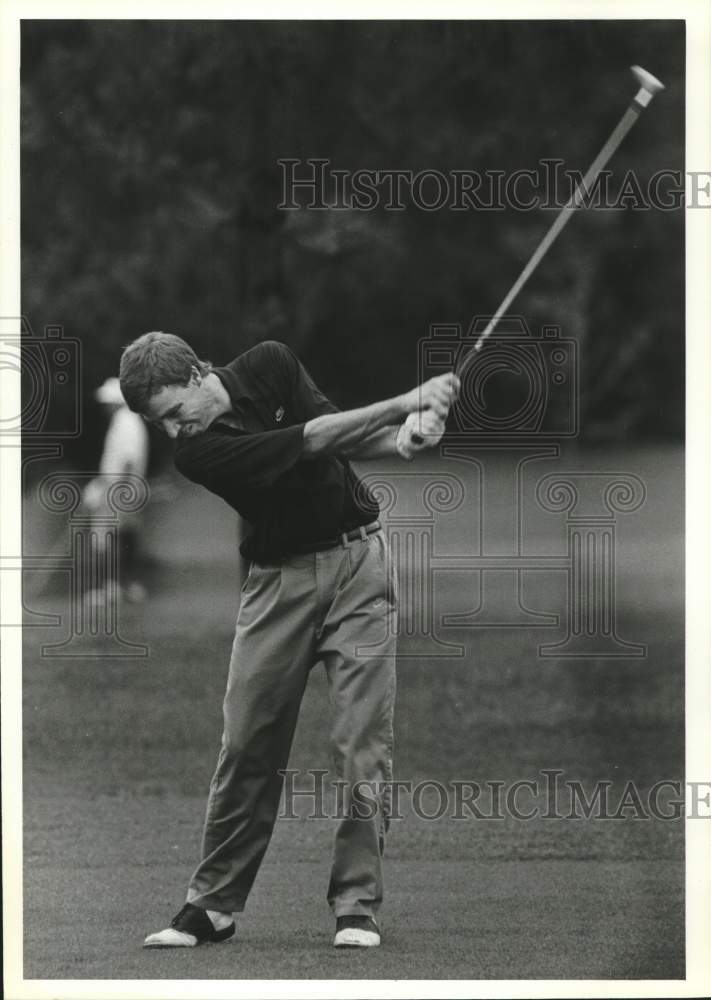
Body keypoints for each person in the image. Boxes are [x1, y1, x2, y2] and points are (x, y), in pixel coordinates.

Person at [118, 333, 459, 949]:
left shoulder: (269, 365)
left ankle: (356, 906)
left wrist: (402, 439)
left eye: (173, 413)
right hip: (278, 586)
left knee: (362, 742)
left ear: (197, 374)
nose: (173, 432)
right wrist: (407, 401)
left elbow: (339, 433)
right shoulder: (201, 453)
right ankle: (212, 905)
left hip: (361, 568)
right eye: (159, 423)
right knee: (247, 740)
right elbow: (309, 442)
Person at [83, 376, 150, 603]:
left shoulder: (126, 422)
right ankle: (126, 587)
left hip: (120, 489)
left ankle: (113, 587)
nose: (104, 408)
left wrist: (117, 490)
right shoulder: (126, 421)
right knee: (124, 538)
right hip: (124, 487)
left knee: (109, 538)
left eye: (106, 403)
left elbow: (129, 460)